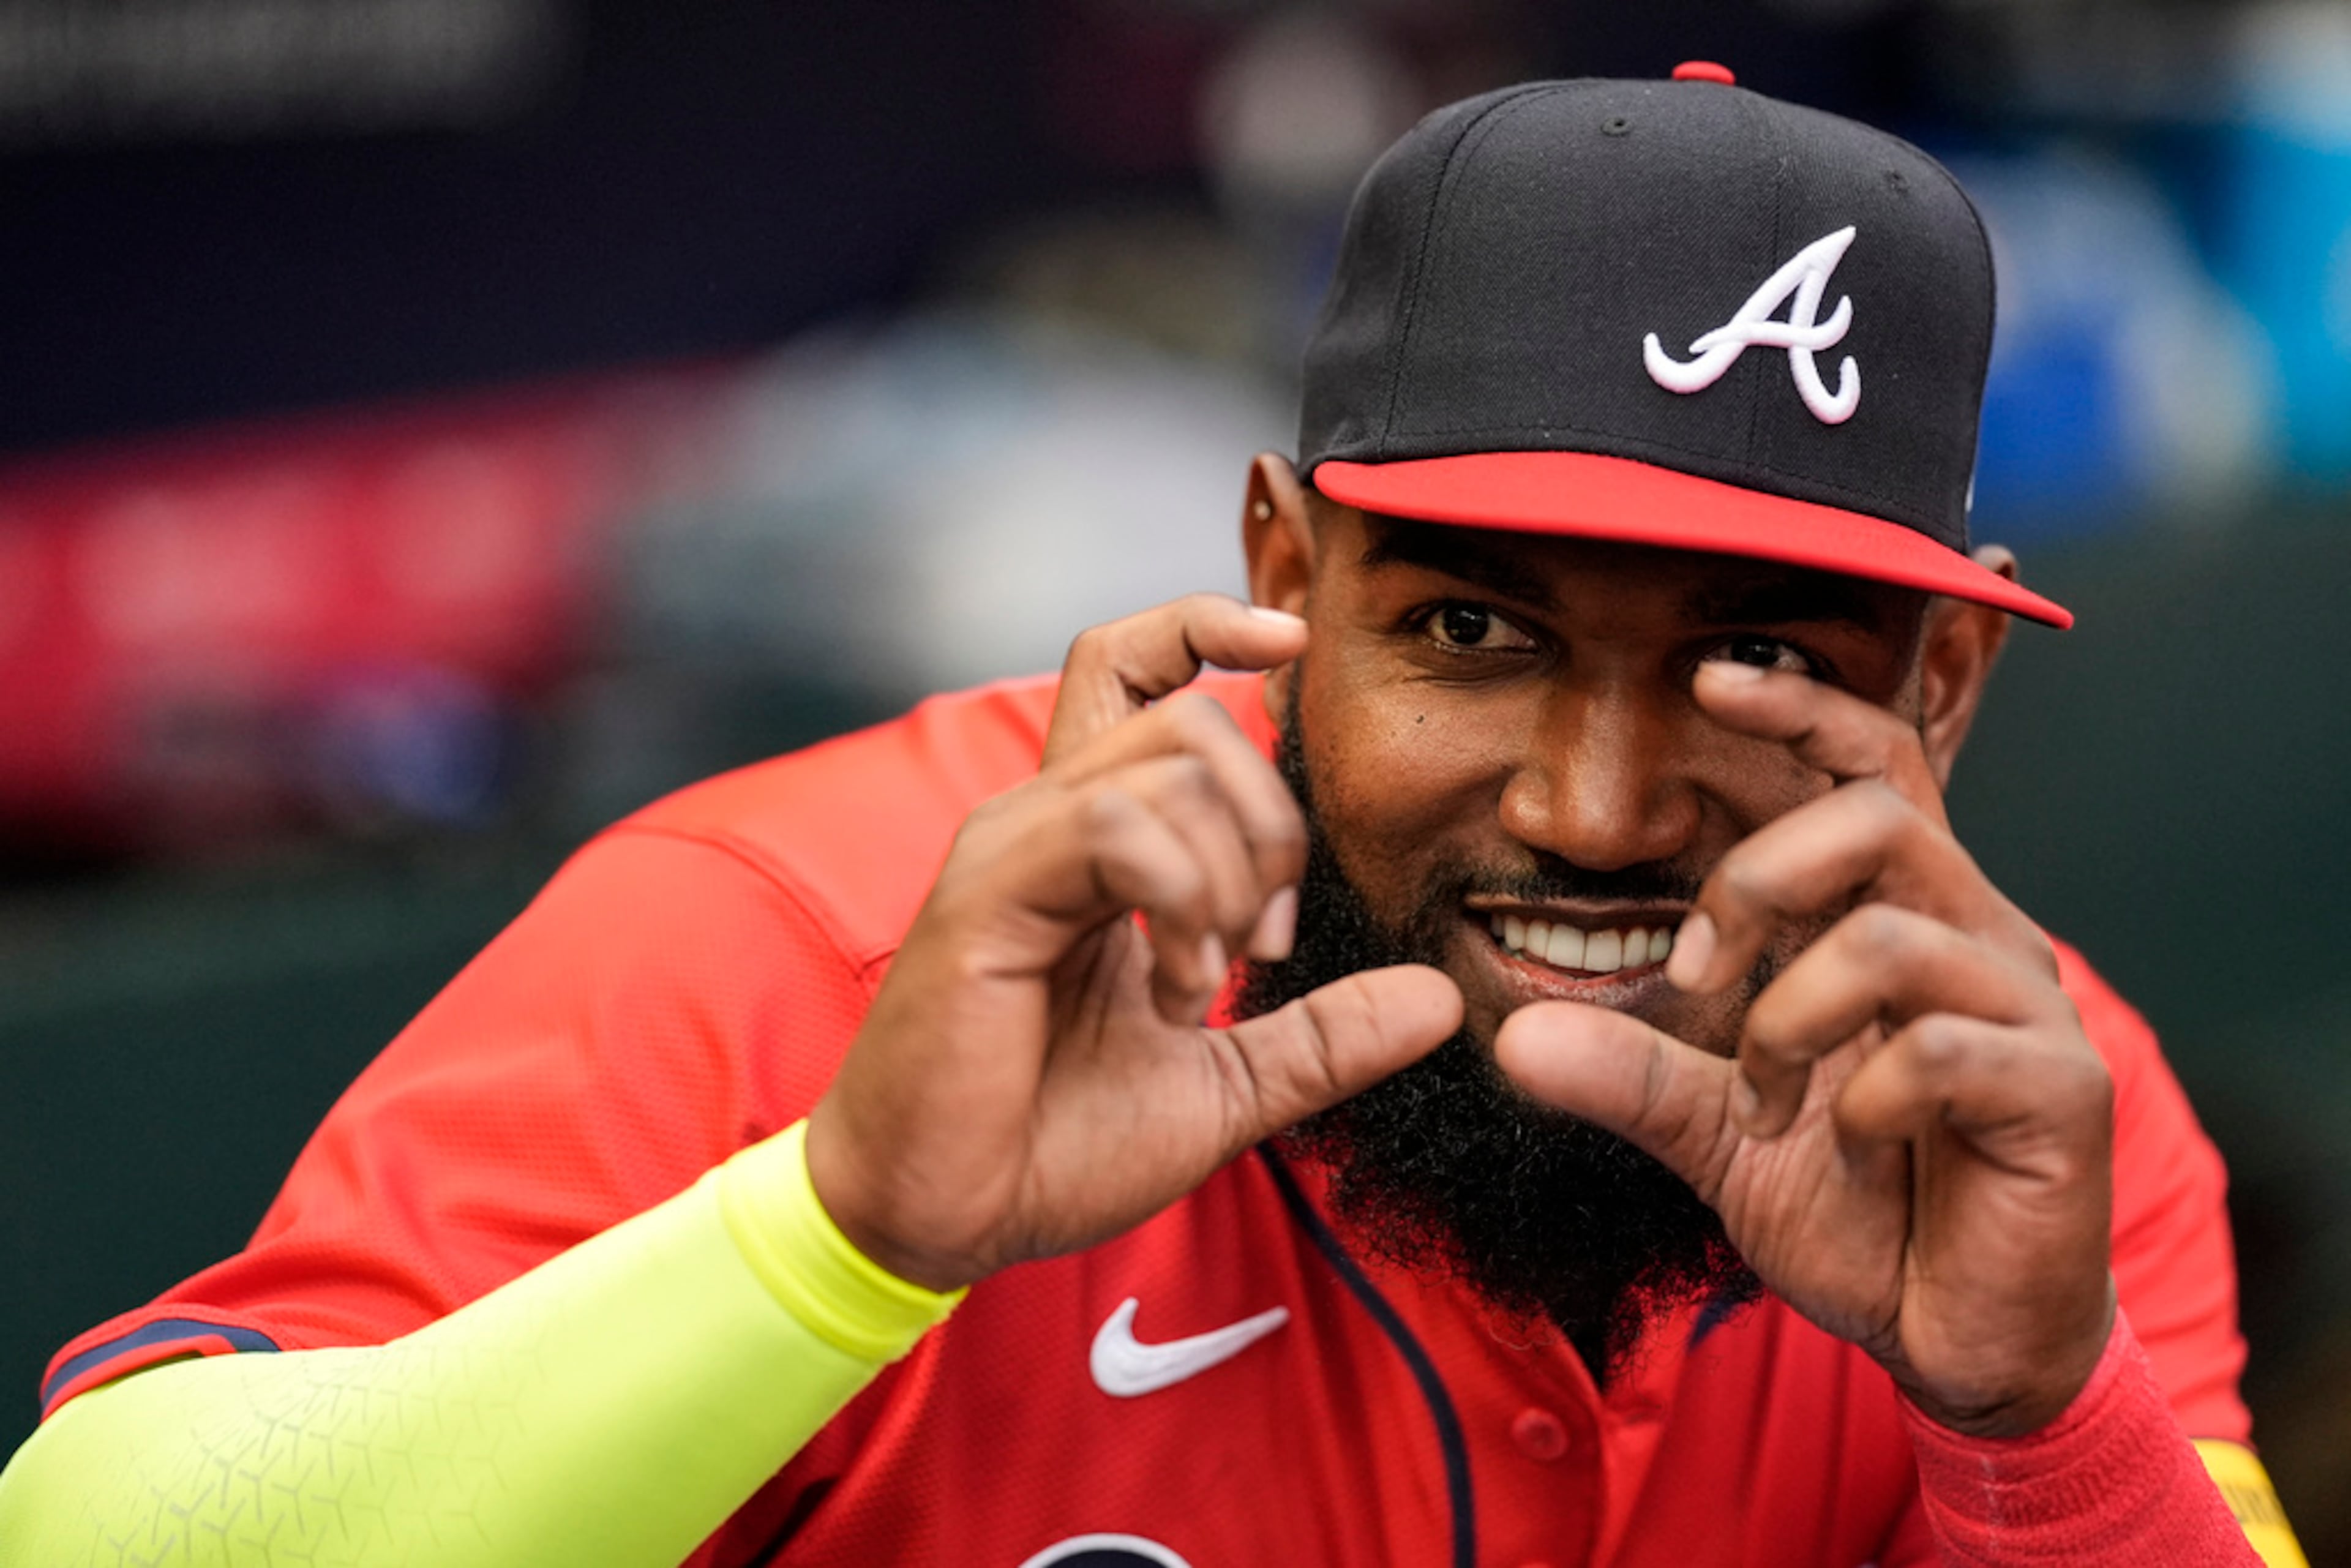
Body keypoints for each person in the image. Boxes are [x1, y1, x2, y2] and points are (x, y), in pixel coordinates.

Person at [0, 66, 2309, 1568]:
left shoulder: (2003, 1118)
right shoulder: (815, 936)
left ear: (1948, 681)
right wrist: (830, 1242)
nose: (1600, 807)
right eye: (1476, 636)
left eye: (1759, 668)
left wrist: (2034, 1422)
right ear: (1286, 578)